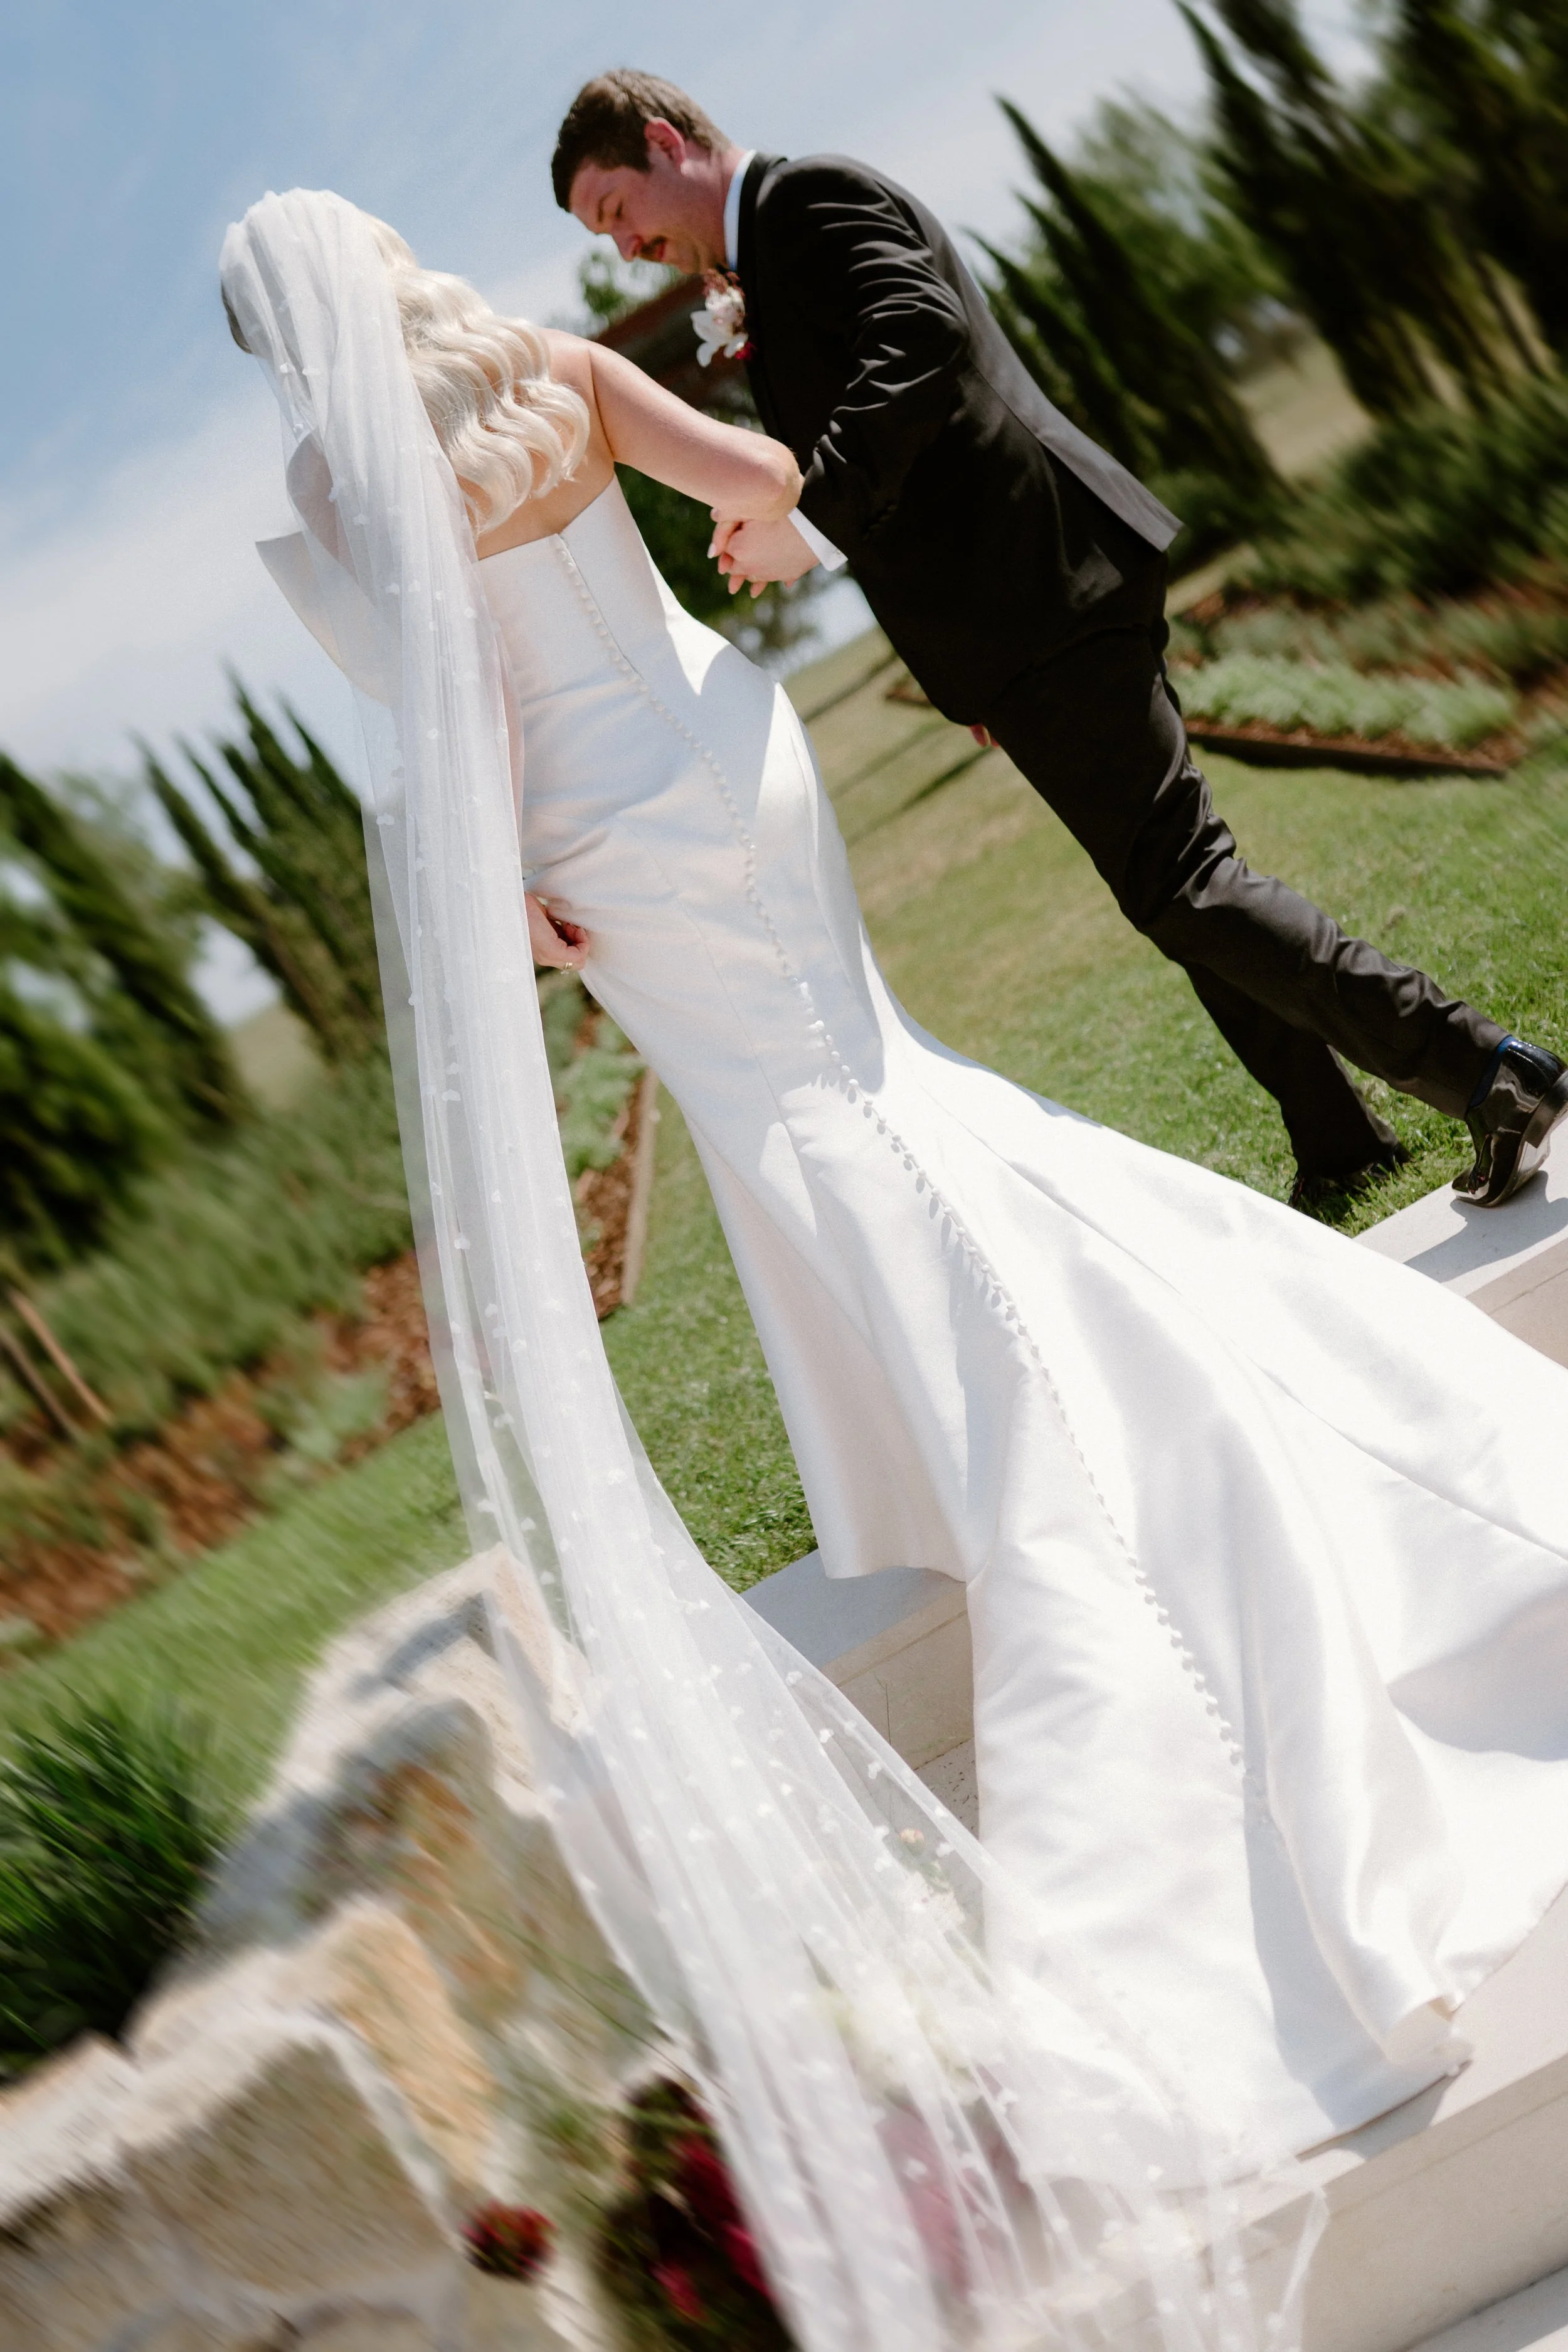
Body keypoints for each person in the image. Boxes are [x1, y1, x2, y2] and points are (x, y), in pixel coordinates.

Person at [226, 189, 1568, 2351]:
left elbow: (459, 715)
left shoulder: (329, 473)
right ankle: (1109, 1388)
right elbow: (757, 479)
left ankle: (1039, 1463)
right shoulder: (555, 372)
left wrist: (506, 907)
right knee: (891, 1099)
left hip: (603, 831)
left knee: (841, 1137)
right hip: (729, 757)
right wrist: (735, 560)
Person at [552, 68, 1568, 1216]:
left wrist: (811, 519)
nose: (626, 245)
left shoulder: (809, 202)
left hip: (1052, 588)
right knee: (1172, 887)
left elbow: (922, 336)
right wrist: (961, 664)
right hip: (1020, 616)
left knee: (1183, 879)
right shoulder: (767, 255)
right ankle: (1337, 1138)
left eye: (615, 211)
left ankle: (1489, 1069)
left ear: (660, 141)